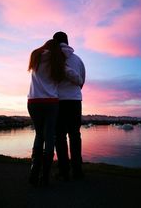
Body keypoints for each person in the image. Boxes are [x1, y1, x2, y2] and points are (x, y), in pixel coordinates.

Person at [27, 39, 82, 186]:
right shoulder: (56, 62)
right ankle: (45, 176)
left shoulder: (35, 56)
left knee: (39, 135)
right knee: (50, 137)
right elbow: (73, 75)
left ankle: (34, 170)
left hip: (33, 101)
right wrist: (80, 82)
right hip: (51, 102)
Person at [53, 31, 86, 180]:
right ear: (67, 41)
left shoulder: (52, 59)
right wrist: (74, 91)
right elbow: (82, 81)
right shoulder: (78, 60)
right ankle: (77, 170)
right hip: (74, 101)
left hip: (58, 101)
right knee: (75, 135)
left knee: (60, 136)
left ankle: (64, 170)